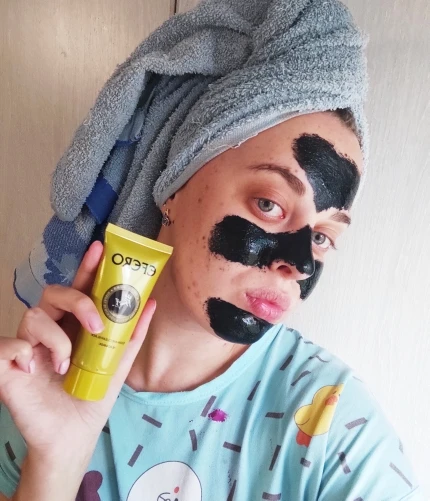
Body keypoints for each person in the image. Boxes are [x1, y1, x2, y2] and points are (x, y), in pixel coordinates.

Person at [0, 1, 425, 500]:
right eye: (269, 204)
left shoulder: (336, 433)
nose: (298, 264)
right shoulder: (40, 387)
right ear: (175, 184)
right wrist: (55, 461)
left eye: (321, 237)